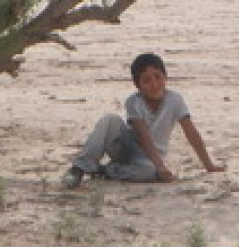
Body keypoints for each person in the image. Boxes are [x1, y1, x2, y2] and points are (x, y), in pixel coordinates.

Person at [62, 52, 225, 188]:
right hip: (127, 146)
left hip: (149, 158)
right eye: (146, 80)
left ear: (165, 77)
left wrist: (208, 165)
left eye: (157, 77)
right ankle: (79, 168)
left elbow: (191, 132)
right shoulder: (134, 102)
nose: (154, 84)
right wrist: (161, 168)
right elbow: (143, 135)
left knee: (147, 172)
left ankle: (103, 171)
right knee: (109, 120)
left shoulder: (175, 100)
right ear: (137, 85)